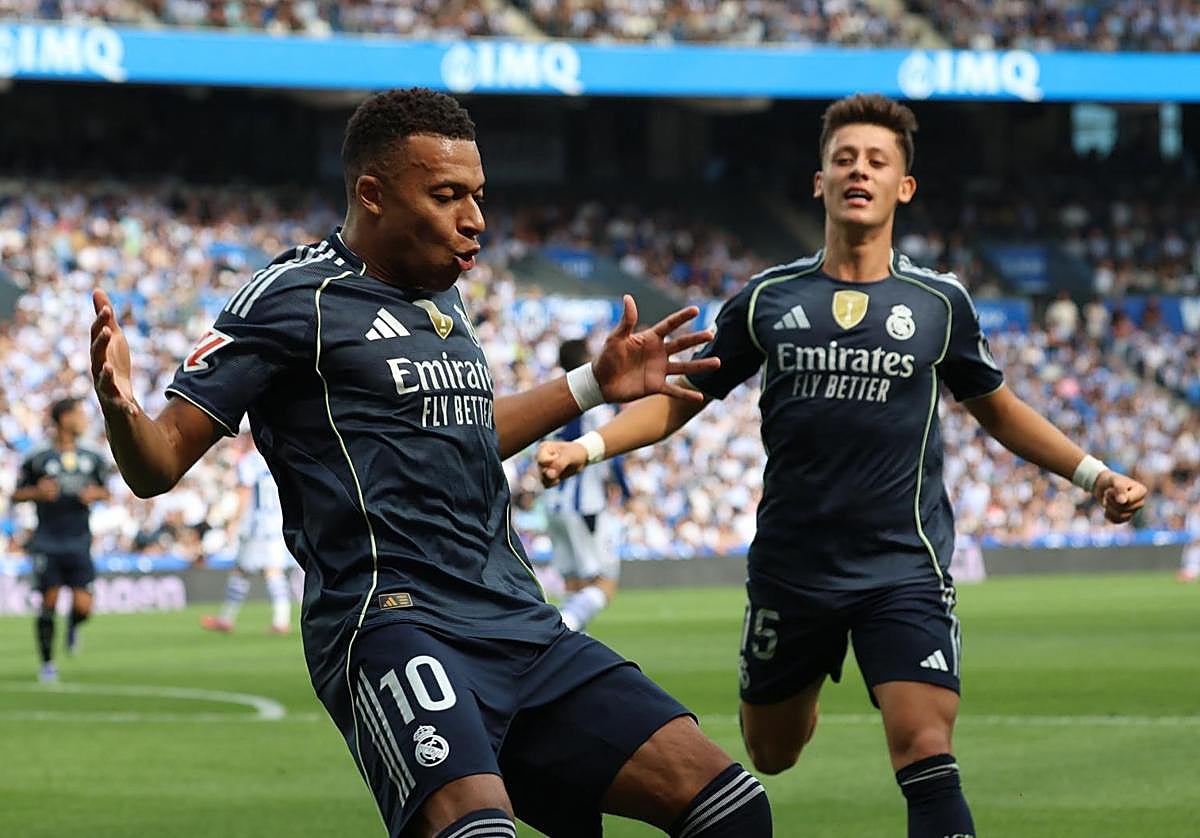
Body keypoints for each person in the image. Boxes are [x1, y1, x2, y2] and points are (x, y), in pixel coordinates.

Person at [90, 88, 771, 838]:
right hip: (391, 621)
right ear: (372, 194)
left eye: (478, 195)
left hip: (517, 618)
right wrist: (122, 407)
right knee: (477, 832)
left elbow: (469, 432)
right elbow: (157, 466)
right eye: (448, 195)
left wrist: (590, 386)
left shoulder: (444, 300)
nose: (474, 218)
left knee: (732, 809)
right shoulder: (291, 299)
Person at [537, 93, 1149, 838]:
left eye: (877, 161)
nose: (860, 170)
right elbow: (680, 398)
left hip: (904, 565)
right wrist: (587, 444)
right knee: (772, 751)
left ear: (904, 187)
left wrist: (1096, 474)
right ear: (820, 182)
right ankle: (809, 672)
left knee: (925, 748)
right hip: (794, 569)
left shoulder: (939, 303)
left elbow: (998, 409)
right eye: (845, 158)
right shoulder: (767, 298)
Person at [12, 397, 112, 682]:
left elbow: (107, 491)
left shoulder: (92, 457)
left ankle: (73, 626)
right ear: (64, 418)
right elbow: (16, 494)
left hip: (80, 541)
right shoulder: (38, 457)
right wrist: (36, 492)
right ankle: (47, 664)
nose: (84, 419)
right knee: (49, 602)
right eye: (79, 414)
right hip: (48, 541)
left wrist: (96, 495)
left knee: (84, 607)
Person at [542, 339, 631, 632]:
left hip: (553, 505)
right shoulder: (594, 402)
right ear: (585, 359)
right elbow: (611, 450)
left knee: (573, 584)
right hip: (584, 505)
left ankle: (570, 649)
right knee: (604, 583)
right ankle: (564, 627)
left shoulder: (549, 397)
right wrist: (626, 491)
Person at [201, 432, 293, 634]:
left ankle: (280, 620)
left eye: (242, 437)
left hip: (255, 525)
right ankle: (232, 618)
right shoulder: (273, 458)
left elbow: (245, 493)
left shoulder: (249, 462)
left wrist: (234, 522)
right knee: (249, 570)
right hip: (275, 522)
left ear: (249, 438)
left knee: (264, 571)